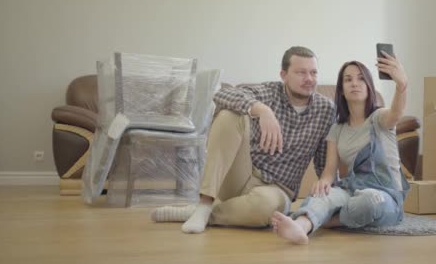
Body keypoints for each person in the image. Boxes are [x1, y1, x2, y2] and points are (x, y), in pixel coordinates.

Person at [151, 46, 336, 234]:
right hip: (241, 175)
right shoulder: (270, 93)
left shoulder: (326, 109)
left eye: (313, 72)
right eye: (301, 72)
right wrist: (262, 110)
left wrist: (328, 201)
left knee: (269, 208)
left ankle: (205, 214)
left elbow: (324, 164)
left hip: (277, 191)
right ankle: (204, 203)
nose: (309, 79)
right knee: (229, 116)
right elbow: (221, 94)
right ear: (284, 75)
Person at [271, 53, 410, 244]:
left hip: (385, 197)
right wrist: (324, 183)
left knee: (367, 202)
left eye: (361, 79)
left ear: (369, 87)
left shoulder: (379, 118)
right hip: (351, 189)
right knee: (323, 194)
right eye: (348, 79)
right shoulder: (337, 128)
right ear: (342, 90)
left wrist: (401, 85)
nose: (355, 83)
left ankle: (329, 220)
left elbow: (396, 114)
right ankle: (301, 227)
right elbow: (329, 172)